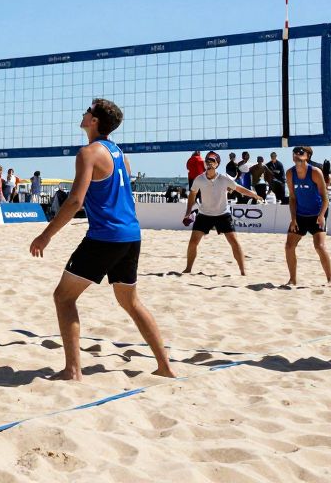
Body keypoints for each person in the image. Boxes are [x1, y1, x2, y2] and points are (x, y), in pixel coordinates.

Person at [29, 98, 175, 380]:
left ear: (94, 121)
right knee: (130, 301)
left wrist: (45, 235)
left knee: (63, 297)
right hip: (131, 235)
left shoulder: (88, 153)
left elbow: (74, 201)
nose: (83, 113)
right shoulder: (121, 154)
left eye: (88, 110)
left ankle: (73, 370)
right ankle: (165, 366)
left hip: (105, 237)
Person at [181, 151, 259, 276]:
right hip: (204, 214)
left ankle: (243, 271)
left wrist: (253, 194)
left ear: (217, 164)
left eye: (213, 161)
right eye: (208, 161)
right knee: (193, 242)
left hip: (222, 214)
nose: (210, 163)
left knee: (234, 241)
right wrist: (188, 212)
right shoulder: (199, 179)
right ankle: (188, 268)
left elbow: (238, 188)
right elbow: (192, 195)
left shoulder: (224, 178)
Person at [285, 145, 331, 286]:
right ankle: (292, 280)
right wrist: (293, 219)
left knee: (319, 246)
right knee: (289, 246)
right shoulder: (290, 173)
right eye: (295, 153)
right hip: (300, 214)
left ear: (308, 156)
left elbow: (325, 198)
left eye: (300, 153)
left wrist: (322, 216)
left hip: (317, 213)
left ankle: (330, 280)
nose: (297, 155)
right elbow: (292, 198)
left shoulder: (315, 172)